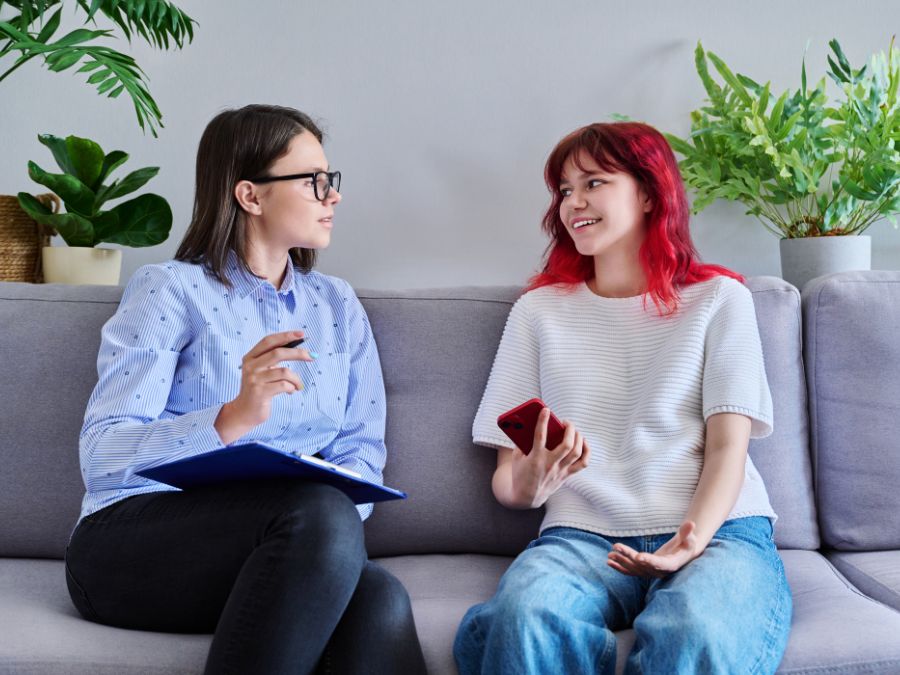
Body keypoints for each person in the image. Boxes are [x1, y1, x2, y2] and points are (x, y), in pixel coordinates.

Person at [65, 104, 426, 675]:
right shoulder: (169, 290)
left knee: (379, 596)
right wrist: (232, 415)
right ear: (250, 196)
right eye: (313, 181)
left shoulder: (336, 308)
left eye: (331, 180)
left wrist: (326, 541)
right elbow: (103, 454)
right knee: (323, 517)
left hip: (291, 547)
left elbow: (362, 450)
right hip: (131, 545)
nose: (332, 196)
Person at [454, 122, 792, 674]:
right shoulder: (538, 312)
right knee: (523, 619)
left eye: (593, 183)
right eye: (564, 190)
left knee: (697, 631)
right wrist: (531, 482)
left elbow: (728, 450)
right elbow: (508, 480)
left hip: (717, 531)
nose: (573, 203)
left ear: (650, 192)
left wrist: (690, 541)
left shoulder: (720, 299)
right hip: (580, 537)